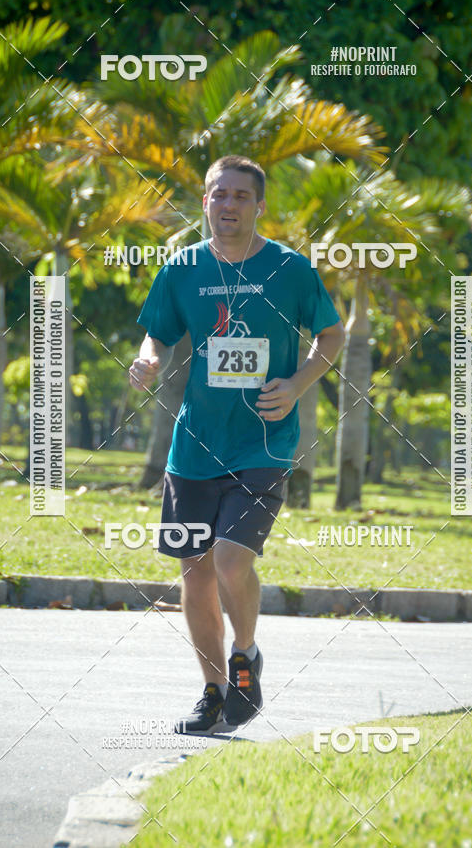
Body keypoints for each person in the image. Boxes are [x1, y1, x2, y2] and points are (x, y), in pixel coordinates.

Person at [129, 154, 344, 735]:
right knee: (195, 571)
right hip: (194, 446)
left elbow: (331, 334)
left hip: (264, 442)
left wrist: (298, 384)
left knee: (229, 560)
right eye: (219, 194)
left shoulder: (289, 269)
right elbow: (158, 333)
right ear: (205, 202)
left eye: (241, 196)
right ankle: (213, 691)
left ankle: (245, 653)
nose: (228, 204)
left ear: (259, 205)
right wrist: (149, 359)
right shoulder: (183, 267)